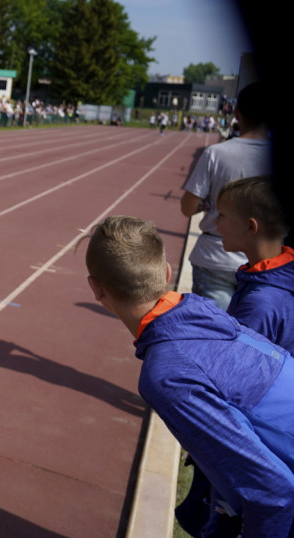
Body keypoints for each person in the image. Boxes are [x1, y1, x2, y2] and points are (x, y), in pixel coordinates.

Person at [84, 216, 294, 537]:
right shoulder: (204, 313)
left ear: (96, 288)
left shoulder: (168, 374)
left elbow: (273, 492)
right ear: (167, 273)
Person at [181, 83, 272, 310]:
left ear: (236, 113)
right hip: (266, 259)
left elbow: (187, 207)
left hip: (215, 255)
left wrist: (207, 204)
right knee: (255, 337)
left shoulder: (216, 154)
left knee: (215, 335)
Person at [216, 176, 294, 351]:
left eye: (221, 215)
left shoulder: (259, 304)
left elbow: (238, 366)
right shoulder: (278, 273)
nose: (215, 223)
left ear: (251, 227)